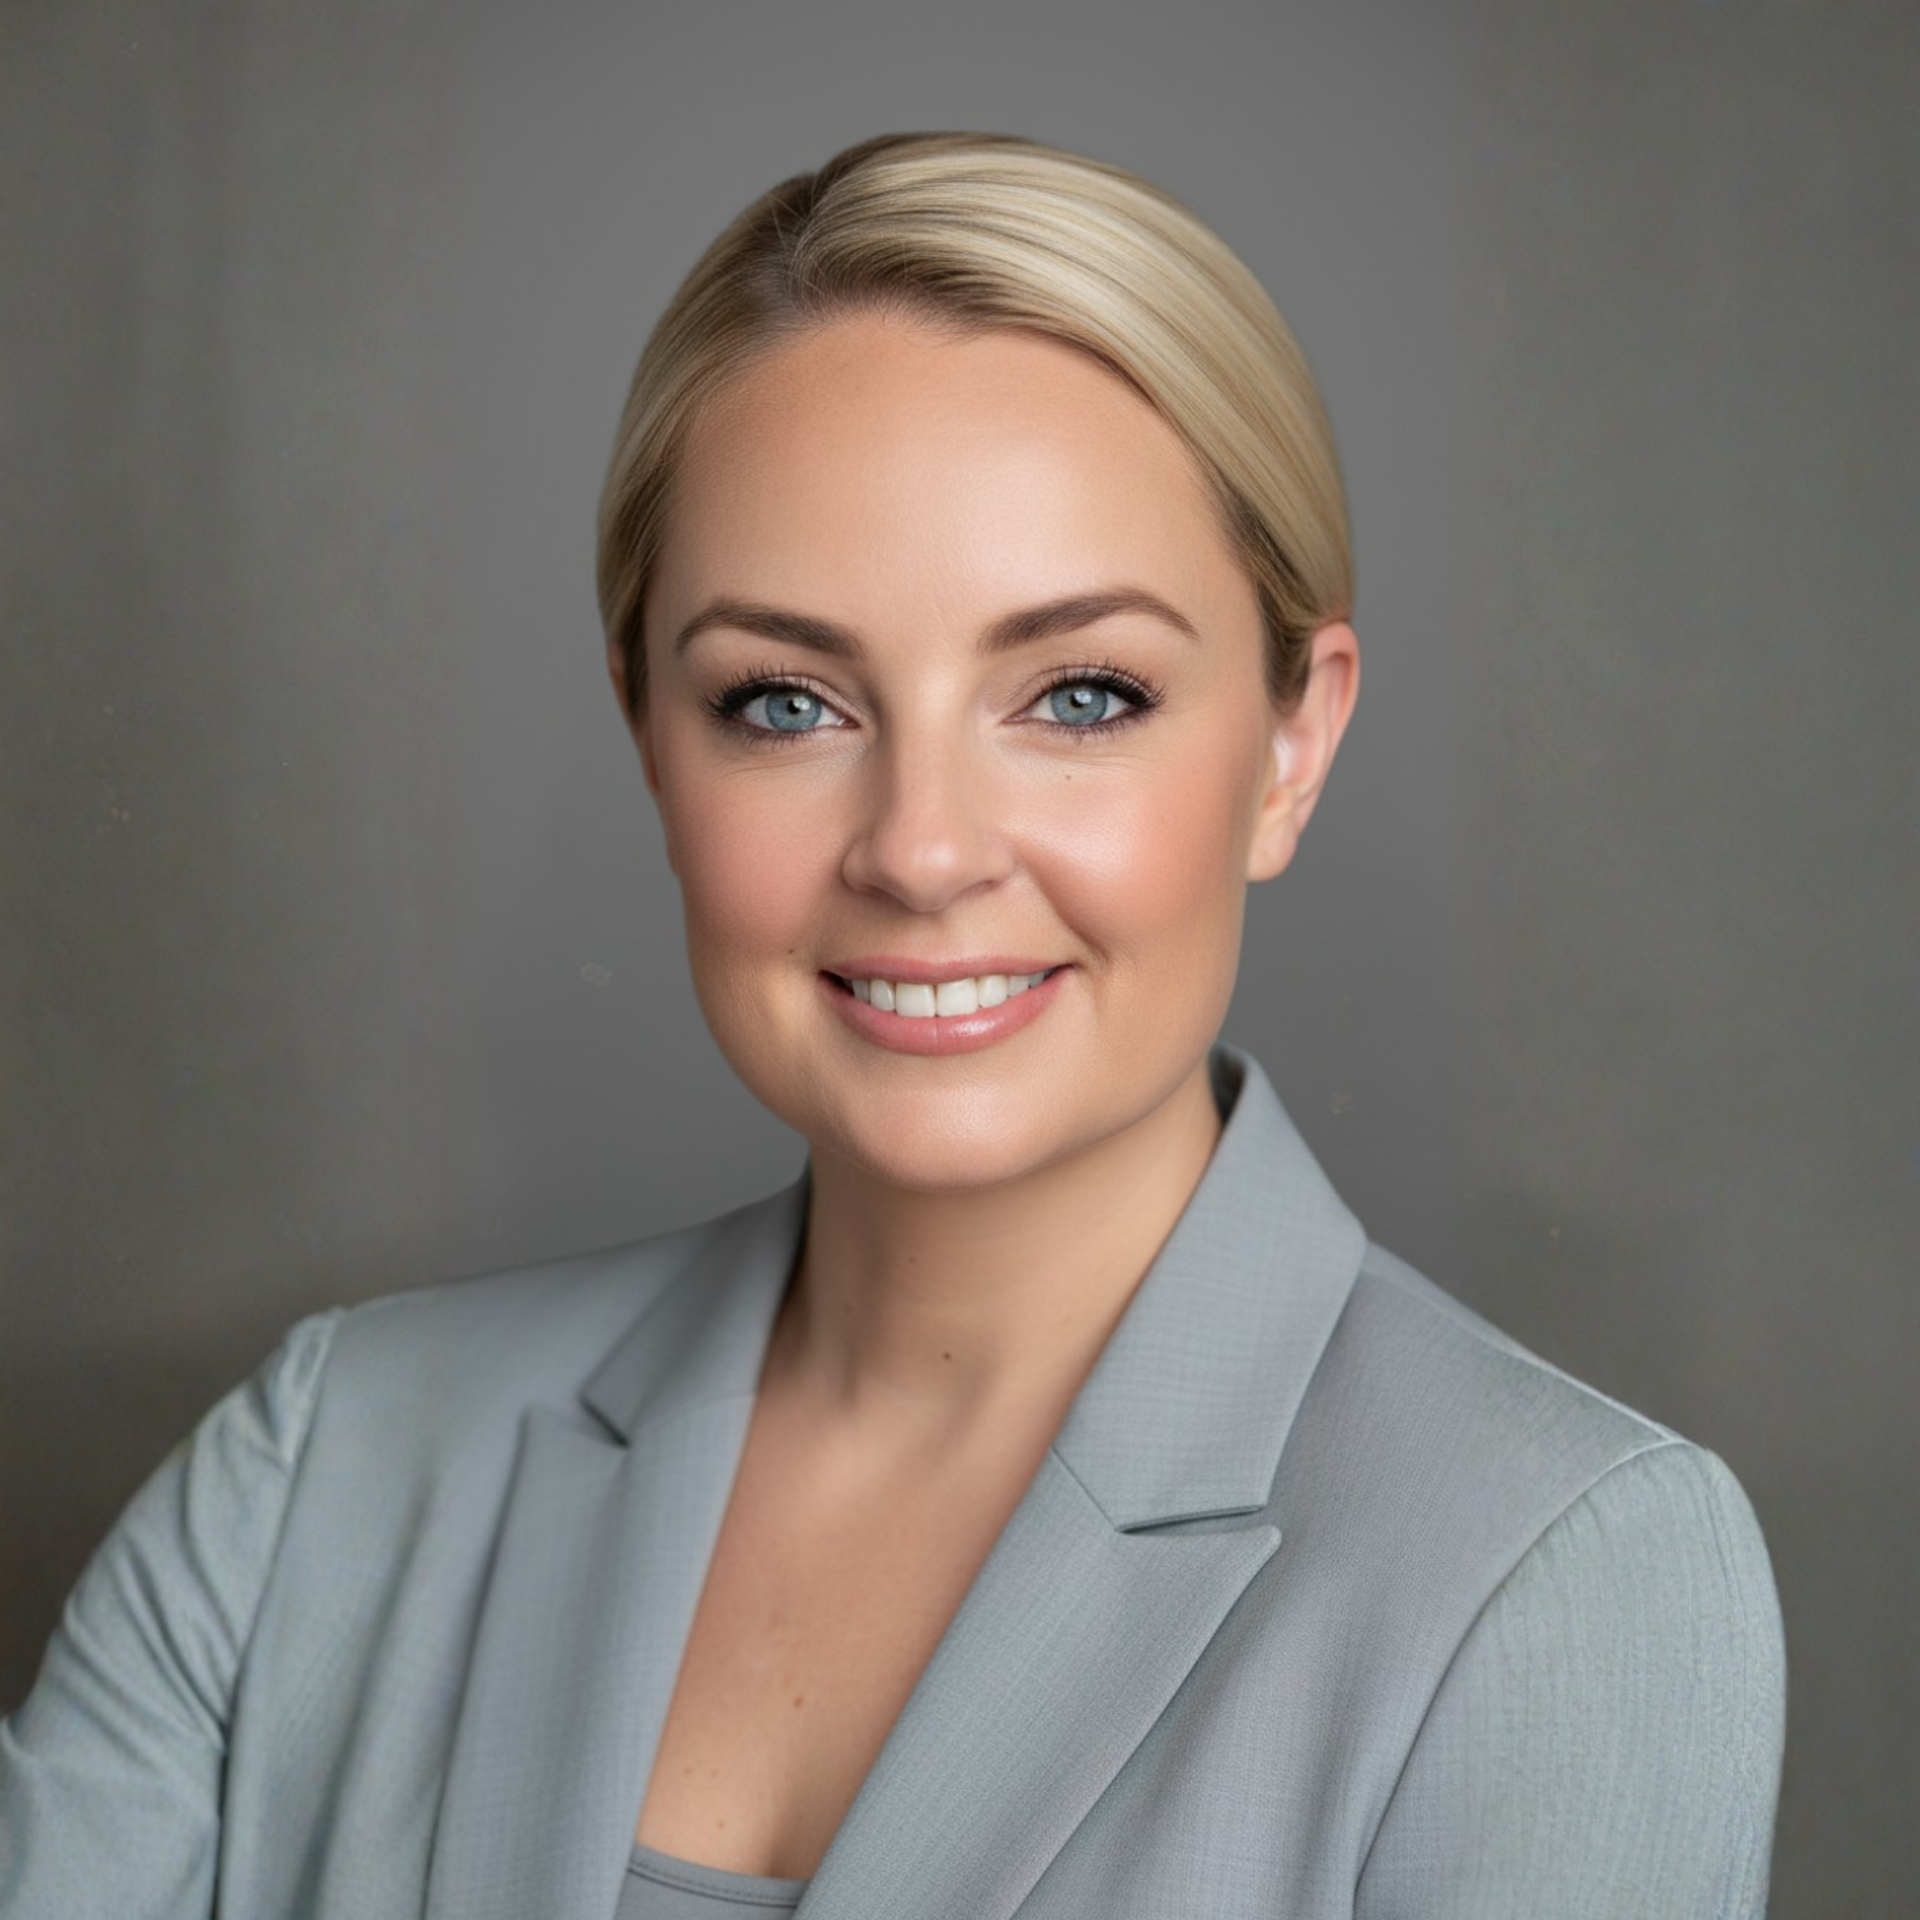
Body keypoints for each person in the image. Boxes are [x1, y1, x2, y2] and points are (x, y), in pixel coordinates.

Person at [0, 132, 1785, 1919]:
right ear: (647, 733)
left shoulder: (1558, 1576)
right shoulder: (314, 1477)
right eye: (784, 701)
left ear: (1291, 743)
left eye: (1081, 694)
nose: (922, 849)